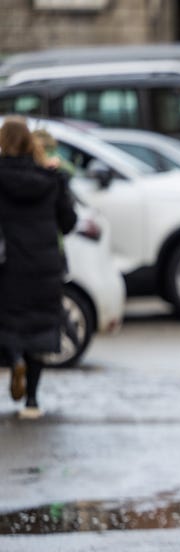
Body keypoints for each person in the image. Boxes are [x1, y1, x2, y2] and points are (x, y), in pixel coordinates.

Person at [0, 117, 77, 420]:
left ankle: (14, 358)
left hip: (8, 266)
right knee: (39, 331)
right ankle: (32, 402)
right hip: (44, 266)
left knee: (8, 326)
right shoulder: (51, 178)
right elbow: (68, 223)